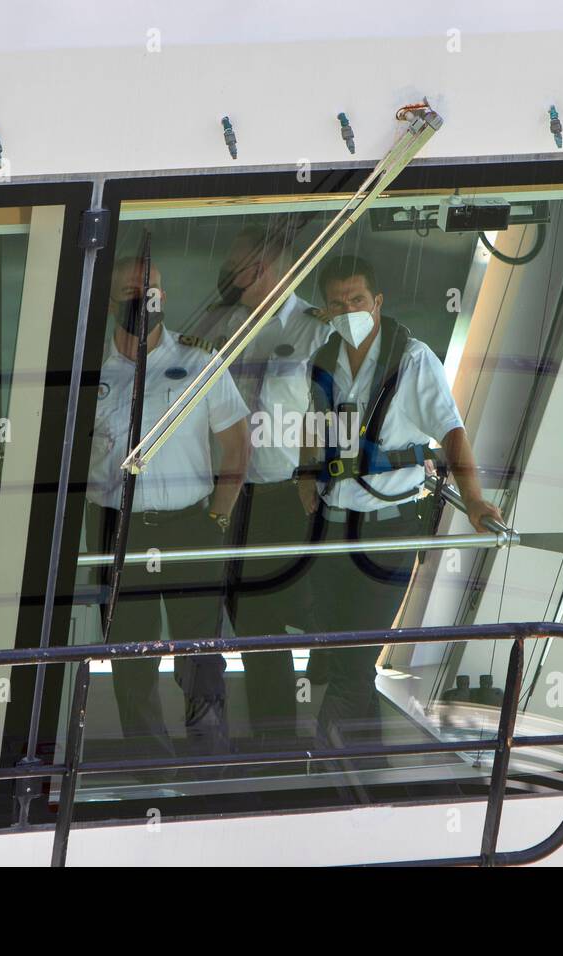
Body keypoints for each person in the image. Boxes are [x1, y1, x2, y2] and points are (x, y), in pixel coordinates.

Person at [296, 254, 503, 748]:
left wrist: (472, 499)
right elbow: (316, 422)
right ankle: (369, 761)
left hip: (386, 529)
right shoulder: (325, 358)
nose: (348, 309)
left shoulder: (412, 359)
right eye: (338, 302)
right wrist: (305, 473)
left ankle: (321, 755)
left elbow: (451, 431)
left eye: (358, 300)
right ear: (326, 310)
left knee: (352, 655)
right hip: (331, 523)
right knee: (332, 641)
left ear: (378, 302)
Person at [85, 255, 250, 759]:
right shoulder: (87, 368)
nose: (143, 297)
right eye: (133, 289)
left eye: (151, 287)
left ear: (165, 295)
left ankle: (207, 758)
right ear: (112, 297)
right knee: (129, 653)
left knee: (200, 653)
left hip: (189, 524)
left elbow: (238, 445)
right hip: (117, 529)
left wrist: (218, 516)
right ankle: (146, 765)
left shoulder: (201, 362)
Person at [196, 224, 333, 749]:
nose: (226, 277)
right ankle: (215, 731)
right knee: (223, 613)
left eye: (236, 268)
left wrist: (310, 477)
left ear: (265, 270)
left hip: (280, 495)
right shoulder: (222, 327)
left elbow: (327, 411)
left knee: (270, 621)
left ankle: (277, 739)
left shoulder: (313, 330)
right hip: (222, 492)